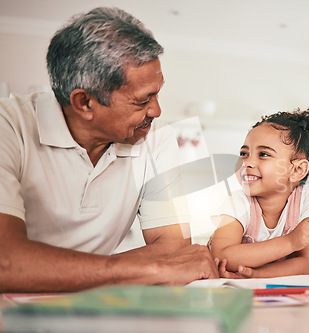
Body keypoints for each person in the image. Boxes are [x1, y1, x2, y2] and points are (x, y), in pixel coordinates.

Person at [0, 7, 218, 293]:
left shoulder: (158, 140)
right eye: (142, 100)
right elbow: (7, 262)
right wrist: (149, 268)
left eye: (157, 93)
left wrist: (43, 269)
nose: (157, 110)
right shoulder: (9, 127)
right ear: (85, 103)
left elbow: (173, 248)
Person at [209, 108, 309, 278]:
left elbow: (306, 265)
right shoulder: (237, 202)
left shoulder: (308, 199)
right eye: (244, 153)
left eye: (264, 154)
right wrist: (290, 242)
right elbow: (222, 256)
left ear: (297, 170)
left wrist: (256, 275)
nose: (248, 162)